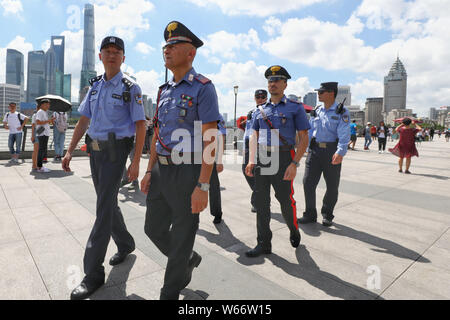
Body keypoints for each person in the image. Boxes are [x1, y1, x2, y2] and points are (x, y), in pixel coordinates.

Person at [140, 21, 221, 300]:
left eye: (174, 46)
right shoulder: (163, 90)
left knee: (183, 233)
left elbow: (212, 138)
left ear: (191, 53)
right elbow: (158, 134)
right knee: (152, 228)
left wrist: (203, 185)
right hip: (162, 170)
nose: (168, 50)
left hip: (188, 172)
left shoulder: (203, 88)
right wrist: (149, 170)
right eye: (166, 46)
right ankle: (187, 258)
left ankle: (170, 291)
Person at [62, 36, 146, 300]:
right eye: (107, 51)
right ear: (100, 56)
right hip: (94, 152)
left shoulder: (130, 87)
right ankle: (126, 243)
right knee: (107, 203)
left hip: (115, 152)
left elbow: (141, 124)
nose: (112, 55)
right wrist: (69, 149)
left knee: (102, 210)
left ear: (123, 57)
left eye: (117, 51)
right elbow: (84, 119)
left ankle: (93, 273)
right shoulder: (95, 87)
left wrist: (135, 161)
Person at [245, 65, 310, 257]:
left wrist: (295, 163)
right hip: (263, 157)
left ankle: (293, 229)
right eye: (270, 81)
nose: (272, 84)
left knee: (285, 200)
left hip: (283, 157)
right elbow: (253, 137)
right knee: (262, 203)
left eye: (277, 80)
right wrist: (251, 160)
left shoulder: (294, 107)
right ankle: (263, 243)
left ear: (285, 84)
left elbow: (304, 137)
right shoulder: (259, 110)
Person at [299, 82, 351, 227]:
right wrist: (307, 148)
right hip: (315, 151)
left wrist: (340, 152)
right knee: (307, 183)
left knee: (332, 186)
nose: (319, 94)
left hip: (331, 151)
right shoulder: (317, 110)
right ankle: (310, 213)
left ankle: (327, 214)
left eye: (321, 92)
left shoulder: (341, 111)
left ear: (331, 93)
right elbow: (310, 131)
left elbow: (344, 133)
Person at [242, 89, 268, 213]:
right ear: (255, 98)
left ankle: (257, 201)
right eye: (258, 96)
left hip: (262, 144)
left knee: (259, 174)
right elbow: (247, 131)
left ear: (266, 98)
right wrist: (244, 149)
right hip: (249, 144)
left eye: (263, 96)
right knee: (245, 170)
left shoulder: (269, 112)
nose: (260, 99)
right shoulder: (251, 113)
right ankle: (259, 194)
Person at [209, 116, 227, 224]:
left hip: (211, 161)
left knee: (214, 187)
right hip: (195, 160)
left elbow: (221, 146)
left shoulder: (218, 132)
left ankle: (217, 214)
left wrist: (219, 162)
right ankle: (191, 216)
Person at [35, 99, 54, 173]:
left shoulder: (44, 112)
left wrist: (50, 121)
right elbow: (38, 122)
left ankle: (40, 166)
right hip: (42, 133)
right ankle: (39, 167)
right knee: (41, 150)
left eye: (49, 104)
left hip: (44, 133)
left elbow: (44, 123)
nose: (48, 106)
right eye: (47, 104)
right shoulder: (40, 112)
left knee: (42, 150)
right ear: (42, 105)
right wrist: (48, 121)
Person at [30, 105, 40, 172]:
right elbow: (33, 126)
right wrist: (32, 136)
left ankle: (37, 165)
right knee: (36, 150)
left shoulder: (43, 115)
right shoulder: (35, 115)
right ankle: (34, 165)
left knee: (38, 150)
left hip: (42, 132)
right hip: (37, 132)